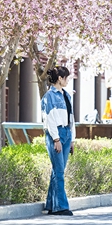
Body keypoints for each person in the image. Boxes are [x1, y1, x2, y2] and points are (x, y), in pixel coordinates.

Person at [41, 65, 76, 216]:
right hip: (56, 134)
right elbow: (49, 119)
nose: (68, 80)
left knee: (58, 171)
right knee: (59, 171)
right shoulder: (49, 96)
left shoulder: (66, 95)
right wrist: (56, 139)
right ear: (60, 79)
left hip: (67, 133)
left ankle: (51, 205)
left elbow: (71, 118)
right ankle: (61, 207)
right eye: (66, 77)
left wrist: (72, 139)